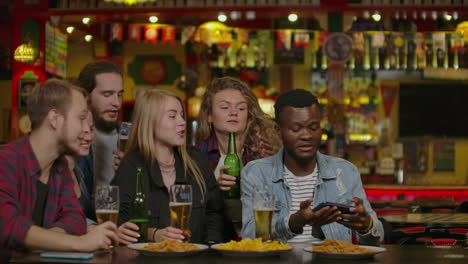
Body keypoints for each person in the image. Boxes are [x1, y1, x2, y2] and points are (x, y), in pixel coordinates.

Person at [241, 89, 384, 245]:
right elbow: (249, 237)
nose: (307, 136)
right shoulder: (256, 172)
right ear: (278, 131)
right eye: (296, 129)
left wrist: (366, 226)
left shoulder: (344, 172)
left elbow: (377, 238)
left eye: (314, 127)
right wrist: (293, 222)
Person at [0, 79, 118, 253]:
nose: (88, 130)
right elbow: (7, 226)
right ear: (55, 119)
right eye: (81, 118)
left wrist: (47, 239)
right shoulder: (6, 160)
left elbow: (75, 217)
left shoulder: (59, 166)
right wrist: (80, 243)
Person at [113, 89, 223, 244]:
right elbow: (120, 223)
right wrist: (153, 234)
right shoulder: (132, 165)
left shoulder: (196, 159)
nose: (182, 121)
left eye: (181, 115)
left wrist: (211, 246)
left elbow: (214, 213)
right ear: (149, 121)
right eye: (172, 116)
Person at [196, 76, 281, 241]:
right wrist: (214, 188)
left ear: (249, 116)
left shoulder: (266, 153)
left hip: (260, 241)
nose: (233, 113)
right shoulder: (196, 157)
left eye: (241, 108)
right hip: (214, 244)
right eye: (224, 107)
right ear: (209, 116)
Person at [66, 111, 140, 245]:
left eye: (91, 129)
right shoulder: (52, 171)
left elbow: (74, 217)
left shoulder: (77, 172)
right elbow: (58, 221)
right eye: (82, 129)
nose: (89, 137)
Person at [77, 60, 124, 193]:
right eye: (107, 94)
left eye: (119, 94)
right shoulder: (74, 139)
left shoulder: (133, 139)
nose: (117, 103)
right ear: (86, 96)